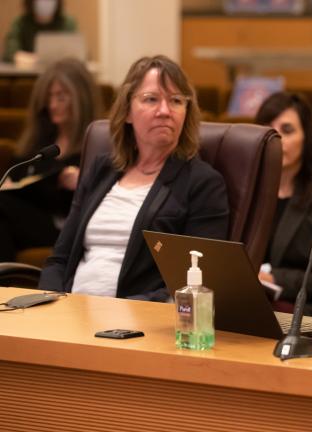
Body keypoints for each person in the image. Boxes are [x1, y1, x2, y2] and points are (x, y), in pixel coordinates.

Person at [39, 55, 229, 301]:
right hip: (71, 313)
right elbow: (60, 259)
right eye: (151, 99)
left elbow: (197, 281)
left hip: (136, 324)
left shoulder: (202, 183)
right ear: (127, 111)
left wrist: (127, 311)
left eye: (176, 101)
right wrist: (49, 304)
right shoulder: (101, 170)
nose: (165, 111)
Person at [0, 57, 102, 262]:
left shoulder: (97, 143)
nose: (53, 105)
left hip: (67, 228)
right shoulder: (41, 137)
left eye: (61, 97)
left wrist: (73, 180)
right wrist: (57, 177)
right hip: (34, 220)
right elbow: (14, 177)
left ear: (80, 99)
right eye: (49, 98)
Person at [254, 92, 312, 318]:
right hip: (249, 307)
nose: (276, 139)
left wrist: (274, 278)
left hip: (302, 314)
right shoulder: (246, 190)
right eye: (268, 130)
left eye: (287, 130)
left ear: (307, 138)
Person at [2, 0, 77, 63]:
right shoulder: (21, 23)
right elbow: (10, 52)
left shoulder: (66, 23)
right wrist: (35, 59)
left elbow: (76, 54)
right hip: (28, 74)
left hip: (60, 72)